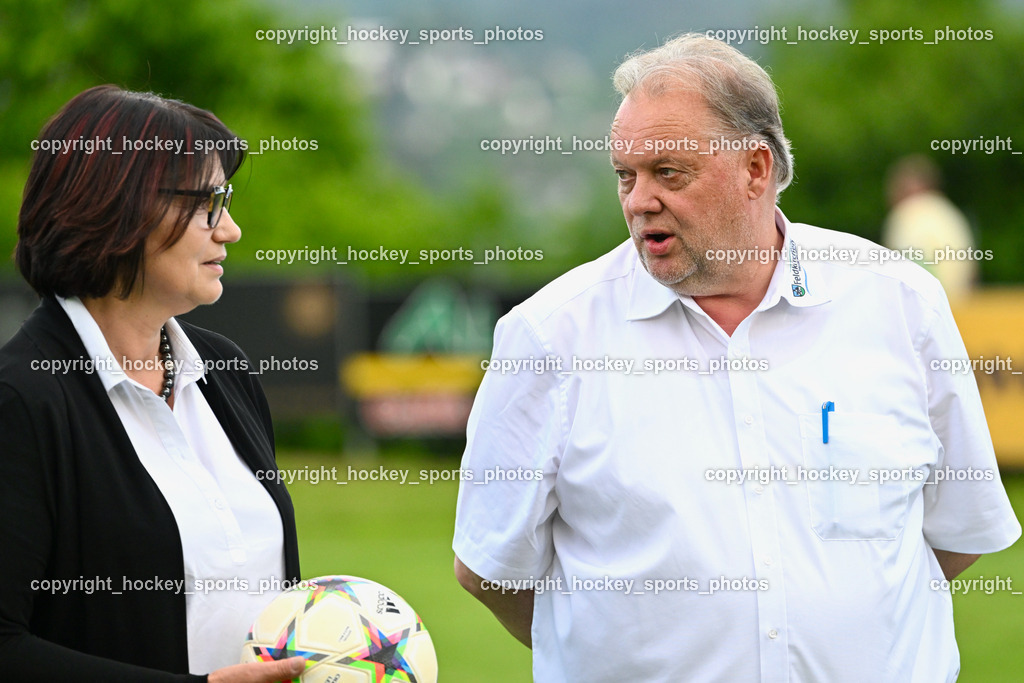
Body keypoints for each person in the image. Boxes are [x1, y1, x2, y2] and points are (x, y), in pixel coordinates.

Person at [452, 34, 1021, 681]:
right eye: (625, 175)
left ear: (755, 169)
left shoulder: (900, 302)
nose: (639, 200)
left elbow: (953, 532)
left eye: (668, 172)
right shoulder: (549, 335)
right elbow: (489, 568)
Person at [0, 86, 305, 682]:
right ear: (118, 208)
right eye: (208, 205)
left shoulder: (226, 372)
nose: (231, 230)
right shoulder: (21, 401)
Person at [882, 154, 977, 304]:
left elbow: (902, 270)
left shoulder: (908, 213)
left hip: (924, 305)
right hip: (959, 306)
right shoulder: (949, 212)